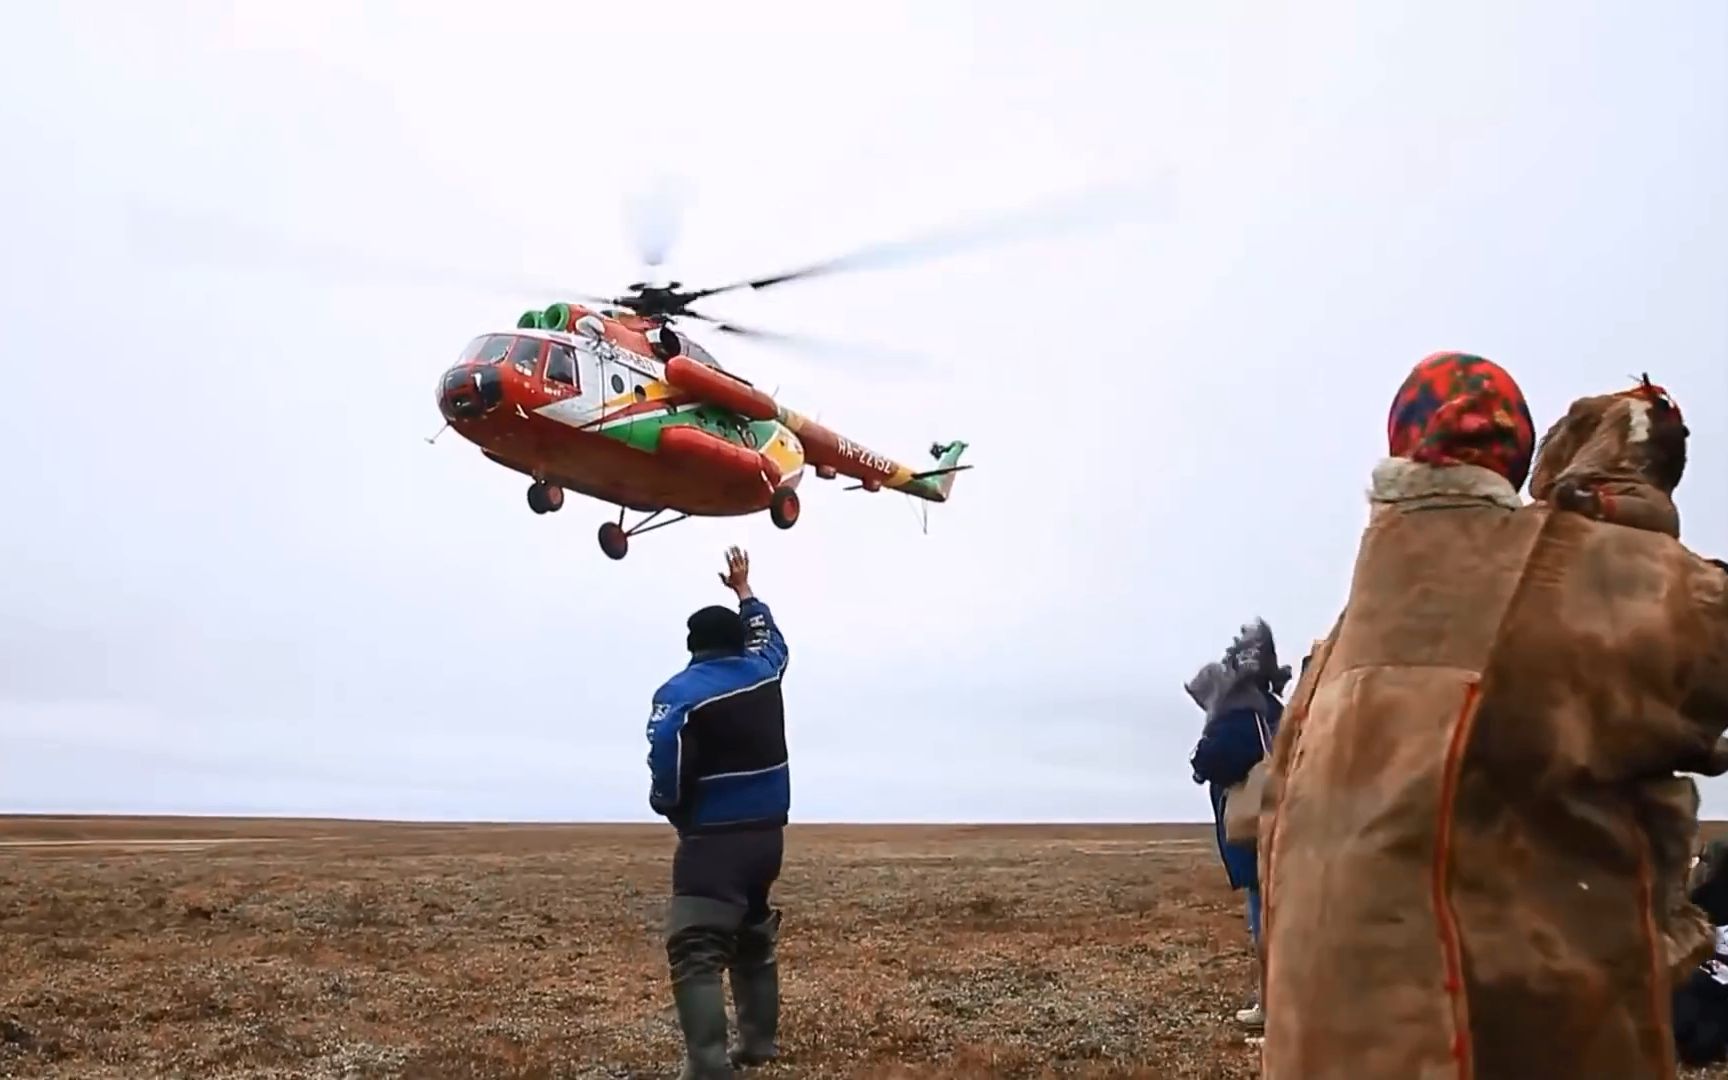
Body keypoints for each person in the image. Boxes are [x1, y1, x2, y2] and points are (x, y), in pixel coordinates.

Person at [1256, 351, 1728, 1079]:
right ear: (1515, 456)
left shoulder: (1332, 655)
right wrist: (1629, 511)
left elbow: (1272, 843)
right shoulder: (1577, 576)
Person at [645, 546, 791, 1078]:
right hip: (768, 839)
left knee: (695, 949)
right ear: (735, 642)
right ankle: (758, 1045)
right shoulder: (762, 670)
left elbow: (665, 751)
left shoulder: (680, 692)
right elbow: (771, 639)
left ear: (693, 647)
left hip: (713, 842)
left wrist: (668, 804)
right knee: (752, 934)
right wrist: (746, 591)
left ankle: (708, 1066)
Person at [1186, 618, 1290, 1032]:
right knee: (1282, 914)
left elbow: (1211, 761)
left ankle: (1274, 1007)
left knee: (1263, 918)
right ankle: (1286, 1001)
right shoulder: (1276, 710)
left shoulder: (1239, 715)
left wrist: (1201, 752)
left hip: (1255, 832)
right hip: (1287, 823)